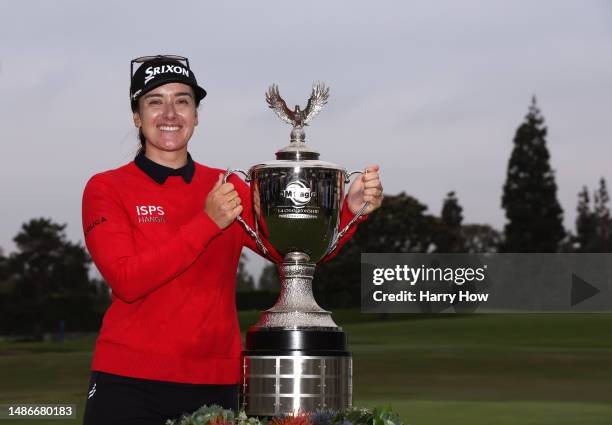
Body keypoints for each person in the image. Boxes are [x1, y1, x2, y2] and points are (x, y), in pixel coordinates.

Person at [81, 55, 384, 425]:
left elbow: (294, 256)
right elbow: (127, 280)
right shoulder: (107, 188)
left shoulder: (228, 187)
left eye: (182, 100)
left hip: (217, 384)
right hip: (128, 383)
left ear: (196, 115)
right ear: (136, 116)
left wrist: (349, 211)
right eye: (154, 101)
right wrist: (207, 221)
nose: (170, 113)